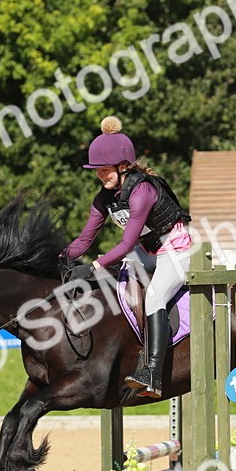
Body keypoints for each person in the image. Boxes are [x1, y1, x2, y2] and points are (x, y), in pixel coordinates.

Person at [64, 116, 193, 398]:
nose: (100, 175)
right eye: (96, 171)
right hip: (147, 252)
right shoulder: (104, 198)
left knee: (156, 296)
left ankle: (152, 373)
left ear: (124, 167)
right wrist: (59, 258)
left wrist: (94, 266)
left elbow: (125, 243)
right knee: (115, 287)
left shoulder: (143, 191)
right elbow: (85, 240)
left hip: (176, 250)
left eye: (104, 170)